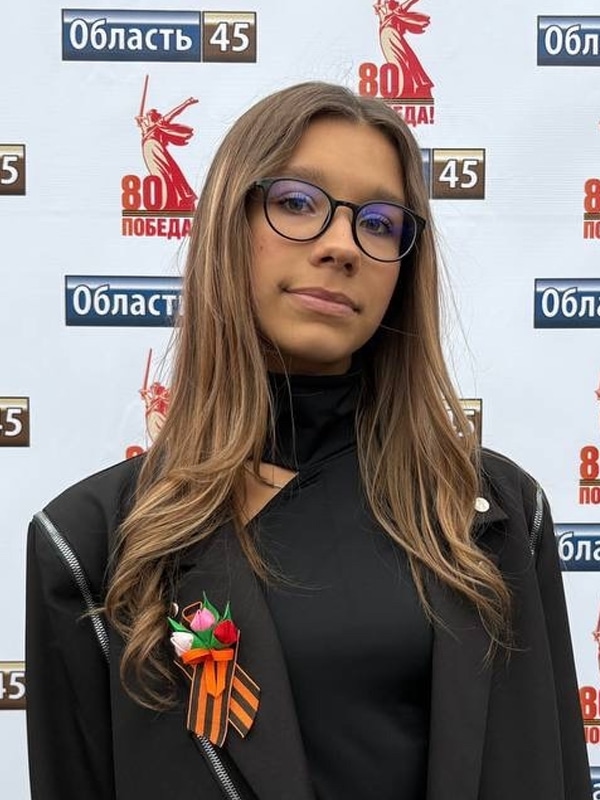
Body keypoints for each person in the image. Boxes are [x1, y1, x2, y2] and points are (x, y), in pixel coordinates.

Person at [26, 82, 590, 800]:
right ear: (230, 225)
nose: (341, 246)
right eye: (297, 203)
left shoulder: (494, 515)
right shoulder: (91, 544)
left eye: (379, 222)